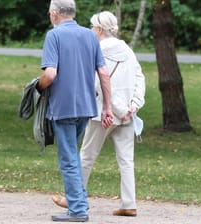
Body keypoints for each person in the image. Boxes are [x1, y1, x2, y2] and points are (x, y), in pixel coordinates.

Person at [52, 11, 146, 217]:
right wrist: (134, 105)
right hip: (127, 114)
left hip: (102, 113)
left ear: (99, 29)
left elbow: (95, 81)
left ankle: (73, 198)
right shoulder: (127, 50)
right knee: (126, 160)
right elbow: (139, 77)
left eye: (93, 26)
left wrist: (108, 107)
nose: (91, 30)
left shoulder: (95, 48)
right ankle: (129, 203)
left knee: (86, 156)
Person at [38, 1, 114, 222]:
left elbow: (50, 74)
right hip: (86, 107)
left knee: (69, 158)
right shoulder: (90, 36)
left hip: (63, 107)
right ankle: (79, 201)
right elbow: (104, 73)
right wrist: (107, 107)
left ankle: (78, 209)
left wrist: (37, 87)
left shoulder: (54, 36)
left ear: (54, 14)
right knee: (73, 155)